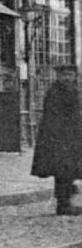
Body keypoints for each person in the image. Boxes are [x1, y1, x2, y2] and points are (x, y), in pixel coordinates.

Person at [31, 64, 82, 216]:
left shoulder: (72, 91)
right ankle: (63, 205)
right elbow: (57, 117)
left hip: (70, 138)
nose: (67, 78)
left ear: (75, 76)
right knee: (63, 171)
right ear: (58, 76)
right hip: (59, 138)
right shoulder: (55, 92)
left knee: (68, 170)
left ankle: (66, 201)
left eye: (70, 75)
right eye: (64, 75)